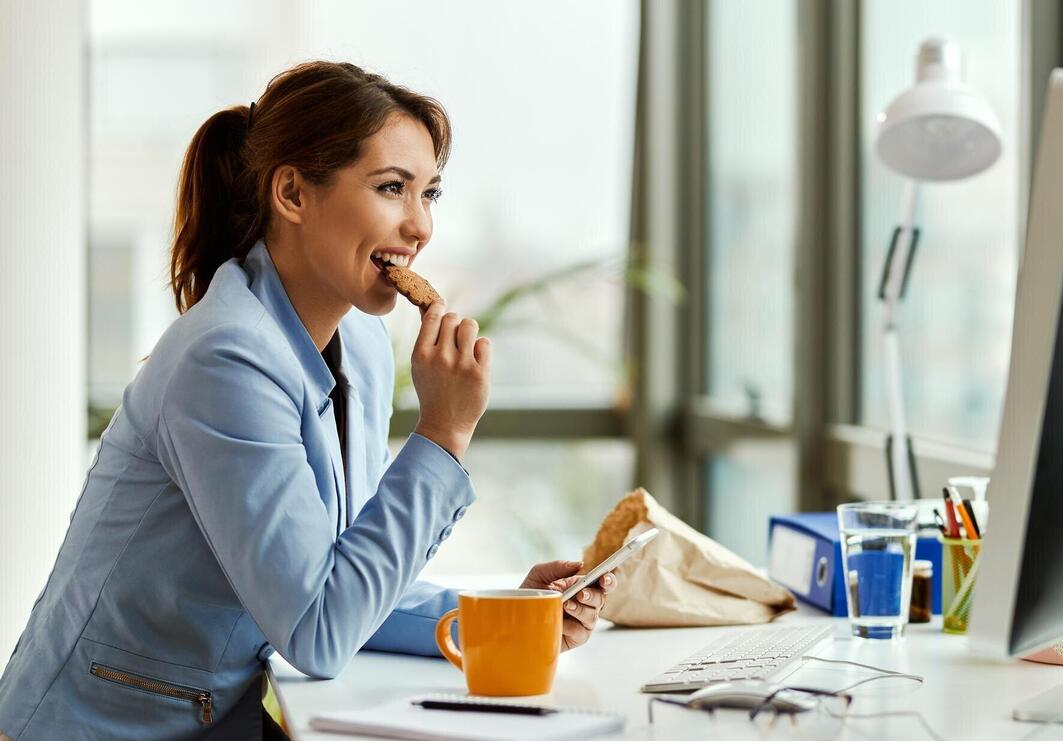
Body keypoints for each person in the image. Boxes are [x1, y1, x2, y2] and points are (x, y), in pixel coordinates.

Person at [0, 61, 614, 740]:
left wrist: (499, 617)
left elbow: (333, 580)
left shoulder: (365, 342)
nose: (421, 227)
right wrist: (443, 434)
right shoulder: (224, 358)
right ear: (292, 192)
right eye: (392, 188)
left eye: (430, 194)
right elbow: (319, 631)